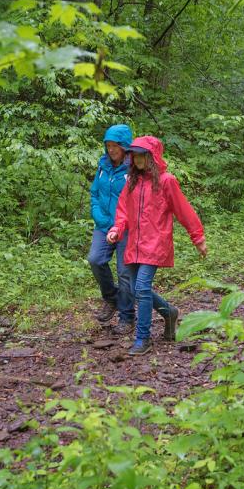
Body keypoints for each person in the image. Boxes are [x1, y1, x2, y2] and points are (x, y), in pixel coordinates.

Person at [107, 136, 207, 355]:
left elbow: (183, 210)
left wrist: (197, 238)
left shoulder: (166, 181)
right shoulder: (132, 181)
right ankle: (169, 312)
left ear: (152, 156)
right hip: (134, 243)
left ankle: (143, 338)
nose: (137, 159)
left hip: (155, 242)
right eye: (134, 155)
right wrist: (117, 229)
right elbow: (123, 209)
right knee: (136, 289)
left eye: (142, 154)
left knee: (142, 287)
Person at [88, 123, 135, 333]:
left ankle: (127, 317)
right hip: (104, 225)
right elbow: (95, 193)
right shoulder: (103, 166)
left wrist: (121, 223)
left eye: (115, 145)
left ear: (124, 146)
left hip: (126, 227)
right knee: (95, 259)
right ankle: (112, 299)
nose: (111, 150)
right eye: (108, 145)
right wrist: (98, 215)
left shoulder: (134, 168)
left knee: (125, 273)